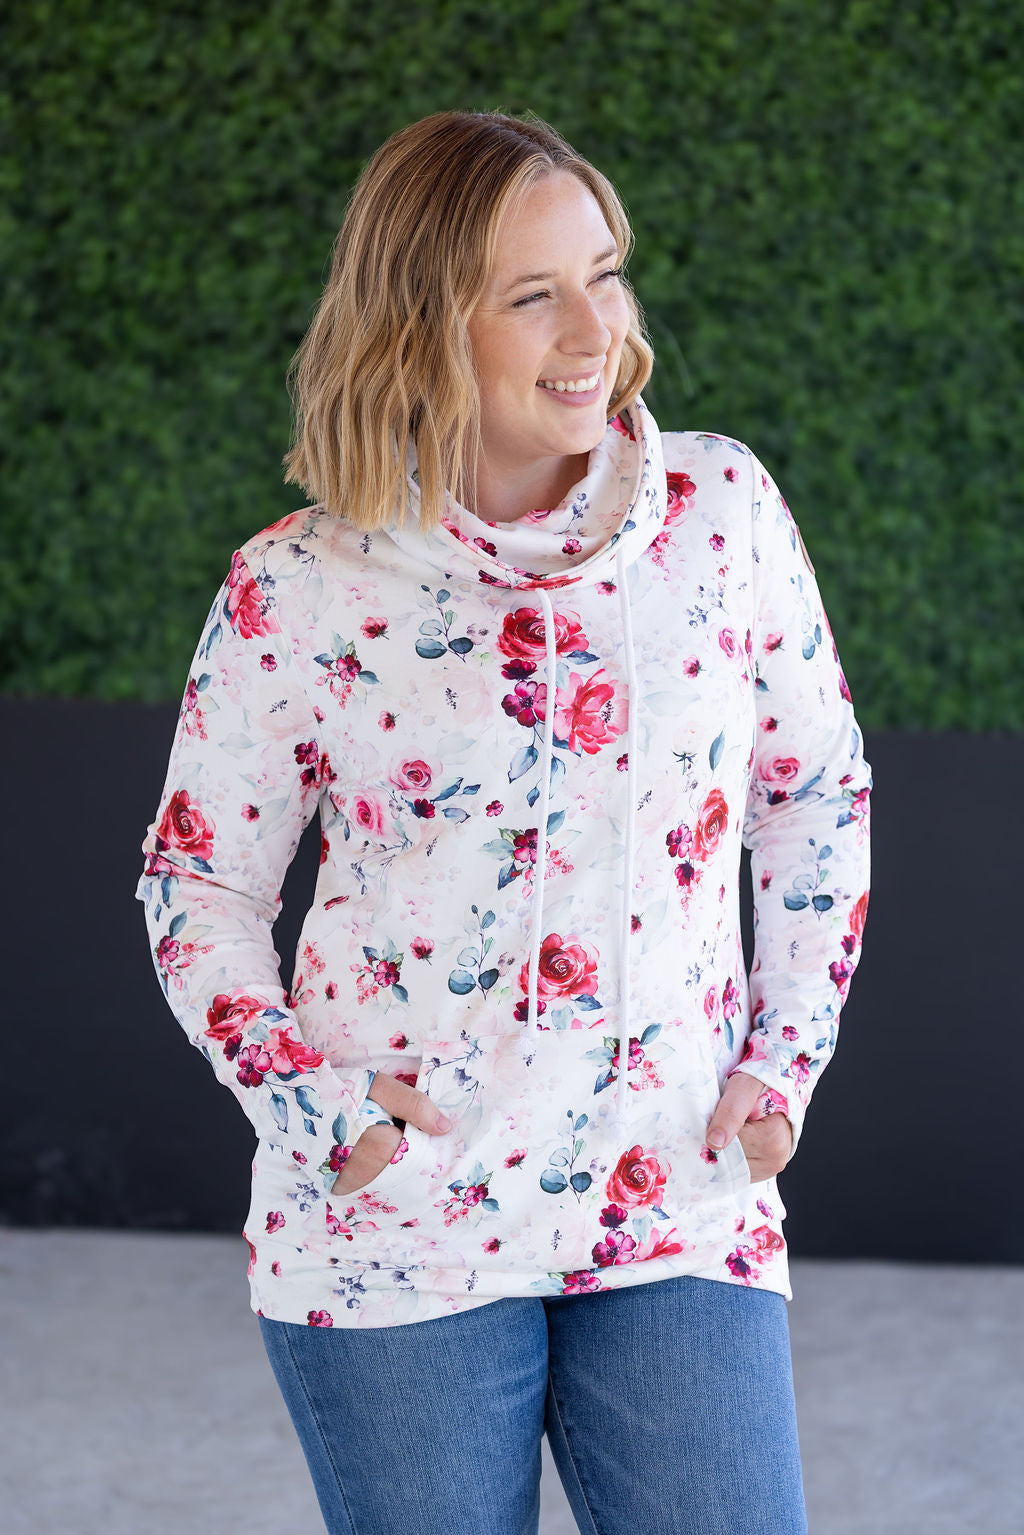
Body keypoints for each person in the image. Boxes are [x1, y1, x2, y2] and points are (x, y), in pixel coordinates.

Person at [136, 108, 871, 1535]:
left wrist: (785, 1058)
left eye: (606, 273)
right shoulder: (298, 586)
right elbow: (197, 883)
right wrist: (315, 1112)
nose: (594, 326)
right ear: (424, 324)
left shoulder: (725, 516)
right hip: (396, 1228)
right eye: (534, 294)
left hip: (678, 1199)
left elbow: (812, 791)